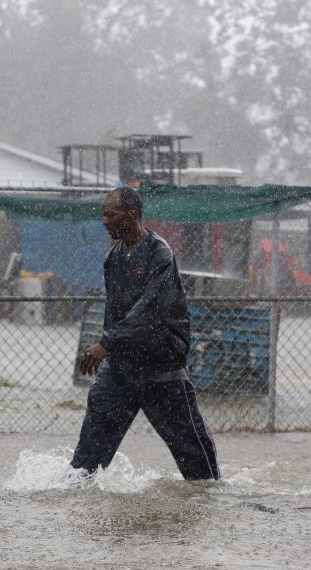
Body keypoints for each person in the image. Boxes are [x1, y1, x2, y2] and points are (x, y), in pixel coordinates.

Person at [71, 187, 220, 480]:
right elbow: (115, 312)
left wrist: (106, 343)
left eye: (110, 215)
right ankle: (76, 506)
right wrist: (109, 350)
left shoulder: (159, 253)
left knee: (196, 463)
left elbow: (150, 310)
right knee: (85, 463)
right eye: (103, 215)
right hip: (121, 371)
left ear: (133, 214)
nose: (104, 222)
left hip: (161, 370)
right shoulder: (113, 257)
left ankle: (213, 502)